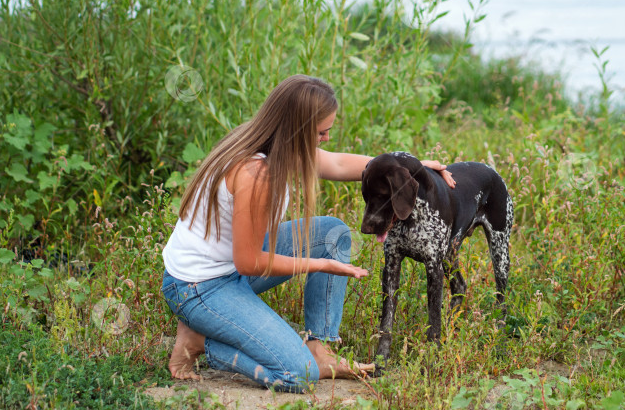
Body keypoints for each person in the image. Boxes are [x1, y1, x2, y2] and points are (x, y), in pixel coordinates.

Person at [160, 74, 455, 393]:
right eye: (321, 132)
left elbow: (340, 164)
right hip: (199, 287)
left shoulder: (275, 144)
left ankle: (321, 349)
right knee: (299, 375)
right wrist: (320, 265)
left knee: (333, 234)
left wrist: (408, 167)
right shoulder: (256, 173)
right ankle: (199, 341)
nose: (327, 138)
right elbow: (248, 262)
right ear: (297, 130)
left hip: (232, 268)